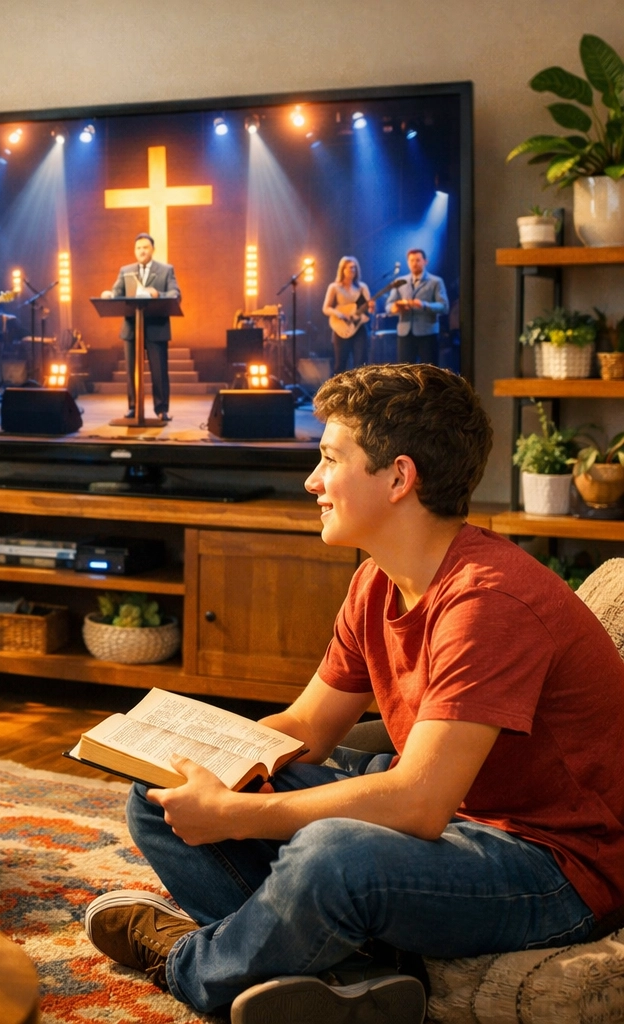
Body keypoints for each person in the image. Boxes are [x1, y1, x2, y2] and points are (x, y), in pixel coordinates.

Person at [81, 362, 624, 1022]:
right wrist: (193, 753)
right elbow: (309, 728)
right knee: (155, 792)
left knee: (330, 857)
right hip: (457, 823)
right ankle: (348, 975)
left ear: (399, 477)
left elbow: (420, 803)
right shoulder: (377, 581)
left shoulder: (489, 602)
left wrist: (234, 816)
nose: (312, 481)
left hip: (553, 865)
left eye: (331, 459)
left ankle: (188, 964)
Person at [108, 232, 180, 422]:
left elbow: (175, 294)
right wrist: (109, 294)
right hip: (132, 328)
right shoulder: (125, 270)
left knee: (159, 371)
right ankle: (134, 407)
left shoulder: (166, 270)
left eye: (145, 247)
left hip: (157, 328)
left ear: (152, 250)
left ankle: (162, 409)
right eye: (138, 248)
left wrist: (158, 294)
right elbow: (117, 291)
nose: (142, 251)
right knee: (132, 372)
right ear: (134, 251)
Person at [385, 248, 447, 366]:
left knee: (429, 373)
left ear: (425, 261)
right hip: (405, 333)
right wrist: (396, 308)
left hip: (427, 333)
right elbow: (388, 306)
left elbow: (444, 306)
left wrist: (424, 305)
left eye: (418, 260)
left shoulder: (435, 281)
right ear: (408, 262)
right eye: (411, 260)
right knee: (404, 373)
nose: (414, 263)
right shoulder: (400, 281)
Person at [323, 256, 372, 375]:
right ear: (343, 269)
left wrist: (372, 307)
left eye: (355, 268)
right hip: (341, 328)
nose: (353, 271)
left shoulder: (362, 287)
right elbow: (326, 308)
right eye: (350, 268)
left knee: (361, 362)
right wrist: (340, 314)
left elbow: (369, 309)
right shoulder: (334, 287)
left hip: (359, 327)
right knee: (340, 364)